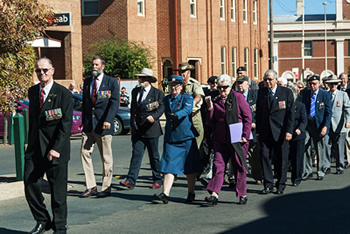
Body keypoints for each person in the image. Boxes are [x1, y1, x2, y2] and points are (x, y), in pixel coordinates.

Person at [24, 57, 73, 234]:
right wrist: (29, 144)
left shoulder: (63, 94)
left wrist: (56, 148)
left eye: (45, 70)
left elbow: (66, 124)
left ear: (52, 71)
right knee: (30, 184)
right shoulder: (33, 92)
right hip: (36, 149)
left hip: (55, 150)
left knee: (57, 193)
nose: (42, 73)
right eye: (38, 70)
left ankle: (60, 227)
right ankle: (42, 220)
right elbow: (34, 122)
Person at [153, 75, 202, 204]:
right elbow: (158, 106)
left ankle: (191, 192)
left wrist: (177, 115)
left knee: (189, 167)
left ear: (181, 86)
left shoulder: (187, 97)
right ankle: (165, 193)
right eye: (171, 86)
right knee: (169, 165)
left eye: (176, 86)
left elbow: (187, 110)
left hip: (186, 137)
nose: (173, 88)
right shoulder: (167, 99)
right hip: (172, 138)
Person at [204, 74, 252, 205]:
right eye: (220, 87)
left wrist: (245, 136)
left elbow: (248, 118)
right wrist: (209, 108)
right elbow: (210, 121)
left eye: (225, 87)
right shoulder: (216, 100)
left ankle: (242, 193)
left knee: (239, 165)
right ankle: (214, 193)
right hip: (221, 138)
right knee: (218, 165)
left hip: (237, 137)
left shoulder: (238, 98)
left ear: (231, 87)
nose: (222, 90)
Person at [79, 56, 119, 198]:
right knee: (84, 153)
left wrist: (109, 120)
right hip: (89, 126)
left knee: (106, 158)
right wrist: (83, 122)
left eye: (96, 65)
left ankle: (106, 187)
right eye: (92, 65)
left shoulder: (111, 82)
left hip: (103, 126)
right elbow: (85, 103)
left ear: (103, 66)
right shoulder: (88, 82)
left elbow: (114, 103)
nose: (94, 67)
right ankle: (91, 186)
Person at [119, 68, 164, 189]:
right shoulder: (135, 92)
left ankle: (157, 179)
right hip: (138, 129)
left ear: (149, 80)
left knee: (154, 156)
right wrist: (132, 126)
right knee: (136, 155)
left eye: (144, 78)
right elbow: (133, 109)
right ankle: (130, 180)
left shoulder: (157, 93)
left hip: (151, 129)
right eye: (140, 78)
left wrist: (154, 117)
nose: (141, 80)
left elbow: (161, 108)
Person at [256, 69, 294, 195]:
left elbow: (290, 114)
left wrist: (289, 131)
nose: (267, 82)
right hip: (265, 132)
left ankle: (281, 184)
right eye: (265, 79)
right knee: (265, 157)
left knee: (281, 159)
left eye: (270, 79)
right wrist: (257, 132)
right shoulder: (261, 92)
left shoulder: (286, 92)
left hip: (281, 131)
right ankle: (268, 184)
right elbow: (259, 114)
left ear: (276, 80)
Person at [301, 74, 332, 181]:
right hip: (308, 125)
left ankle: (320, 171)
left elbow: (328, 113)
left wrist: (325, 127)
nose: (312, 86)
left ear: (319, 83)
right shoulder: (305, 93)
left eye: (314, 83)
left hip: (319, 125)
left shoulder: (324, 95)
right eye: (310, 84)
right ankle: (307, 171)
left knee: (320, 148)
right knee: (306, 147)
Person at [236, 75, 262, 185]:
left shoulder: (255, 95)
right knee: (237, 153)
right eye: (238, 83)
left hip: (253, 129)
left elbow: (260, 111)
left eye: (242, 83)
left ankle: (257, 176)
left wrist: (255, 123)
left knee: (254, 154)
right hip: (238, 129)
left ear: (248, 83)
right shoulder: (235, 96)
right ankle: (236, 178)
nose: (240, 85)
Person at [323, 75, 350, 174]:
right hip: (327, 125)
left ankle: (340, 166)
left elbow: (347, 109)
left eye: (335, 83)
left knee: (339, 147)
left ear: (338, 84)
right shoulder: (325, 94)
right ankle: (326, 165)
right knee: (326, 145)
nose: (333, 85)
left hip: (339, 124)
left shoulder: (343, 95)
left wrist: (348, 121)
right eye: (331, 83)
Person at [178, 62, 205, 150]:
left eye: (184, 71)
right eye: (180, 71)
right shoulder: (177, 84)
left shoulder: (194, 83)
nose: (182, 73)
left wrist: (192, 103)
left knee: (199, 134)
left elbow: (199, 95)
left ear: (189, 72)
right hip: (182, 116)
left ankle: (195, 154)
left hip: (194, 115)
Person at [288, 85, 307, 186]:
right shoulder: (284, 106)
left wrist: (300, 129)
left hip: (298, 135)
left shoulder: (300, 106)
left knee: (297, 157)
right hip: (287, 134)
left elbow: (304, 120)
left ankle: (296, 178)